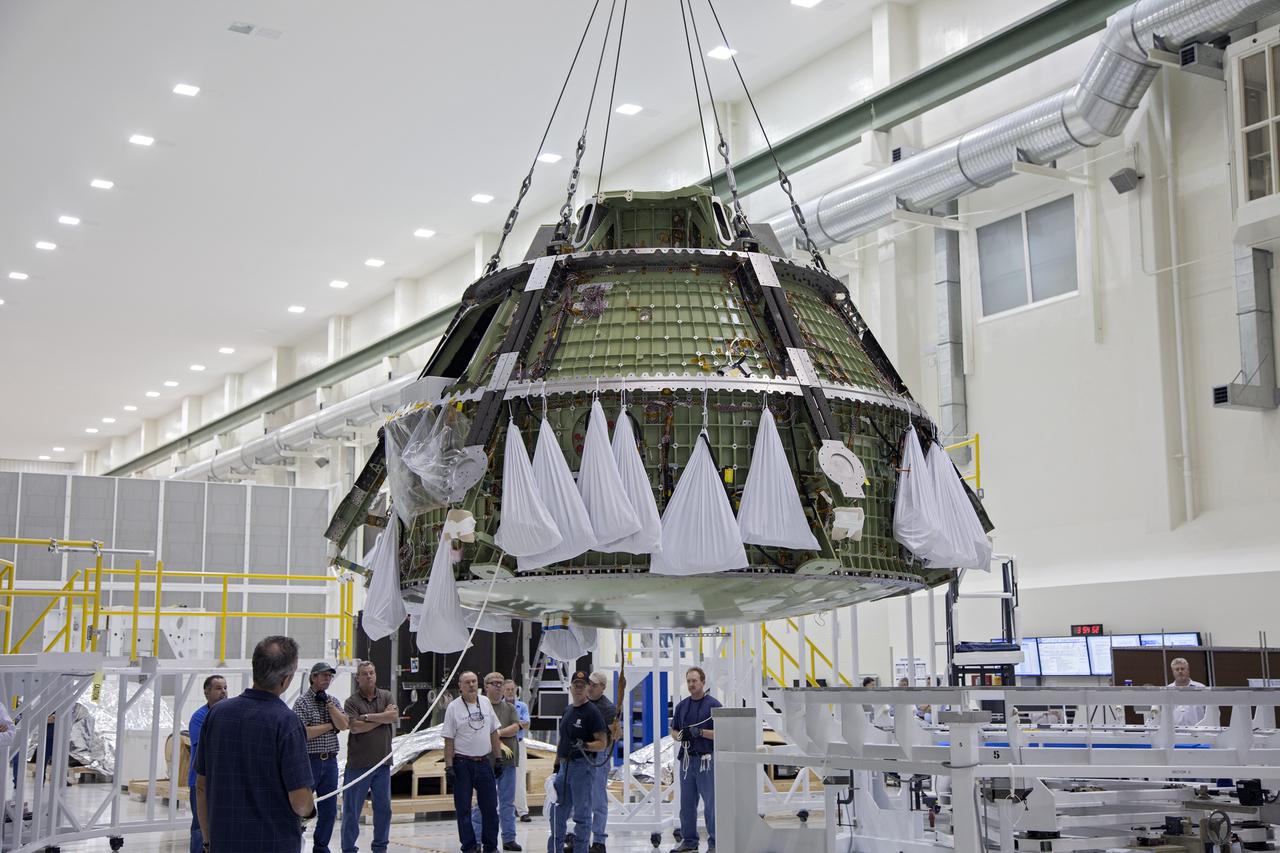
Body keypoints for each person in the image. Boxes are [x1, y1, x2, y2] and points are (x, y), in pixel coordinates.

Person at [194, 635, 315, 853]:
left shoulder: (216, 715)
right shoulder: (287, 722)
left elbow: (201, 786)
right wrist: (310, 810)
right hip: (274, 844)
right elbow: (300, 801)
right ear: (286, 679)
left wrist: (207, 840)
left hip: (224, 842)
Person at [292, 661, 350, 853]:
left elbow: (343, 725)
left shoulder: (332, 701)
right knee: (303, 806)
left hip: (330, 762)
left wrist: (329, 706)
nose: (327, 679)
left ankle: (321, 846)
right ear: (313, 677)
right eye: (324, 675)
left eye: (330, 676)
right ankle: (294, 841)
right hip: (310, 761)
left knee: (329, 808)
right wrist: (329, 726)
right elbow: (303, 732)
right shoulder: (302, 702)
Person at [443, 671, 504, 853]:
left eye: (474, 682)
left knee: (490, 808)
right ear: (460, 686)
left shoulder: (485, 703)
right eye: (467, 682)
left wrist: (498, 758)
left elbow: (494, 731)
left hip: (483, 762)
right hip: (462, 764)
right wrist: (449, 767)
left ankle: (490, 846)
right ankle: (469, 846)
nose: (471, 685)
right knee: (463, 809)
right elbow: (448, 740)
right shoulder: (453, 708)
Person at [341, 661, 398, 853]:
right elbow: (355, 728)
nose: (369, 676)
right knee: (352, 811)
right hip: (358, 766)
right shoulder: (351, 702)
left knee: (384, 810)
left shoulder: (386, 695)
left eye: (372, 673)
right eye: (364, 673)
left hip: (382, 764)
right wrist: (381, 717)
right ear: (358, 678)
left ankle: (380, 847)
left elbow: (392, 717)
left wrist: (367, 717)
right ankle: (349, 849)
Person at [548, 672, 607, 853]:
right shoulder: (567, 711)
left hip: (582, 768)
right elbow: (562, 739)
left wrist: (586, 744)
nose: (579, 688)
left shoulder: (592, 713)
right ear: (571, 687)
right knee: (557, 813)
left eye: (583, 684)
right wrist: (557, 764)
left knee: (582, 816)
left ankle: (581, 850)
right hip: (564, 768)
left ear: (587, 687)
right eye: (576, 684)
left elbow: (602, 743)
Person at [670, 667, 720, 853]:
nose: (691, 684)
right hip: (687, 761)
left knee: (711, 804)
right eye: (689, 681)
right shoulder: (682, 706)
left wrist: (701, 732)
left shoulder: (714, 706)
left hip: (706, 760)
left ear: (703, 682)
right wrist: (680, 736)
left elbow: (722, 733)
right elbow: (673, 730)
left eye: (694, 681)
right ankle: (689, 841)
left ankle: (715, 843)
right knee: (687, 804)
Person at [470, 673, 521, 851]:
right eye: (495, 683)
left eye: (501, 683)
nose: (499, 686)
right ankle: (476, 839)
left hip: (508, 763)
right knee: (482, 803)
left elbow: (516, 727)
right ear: (486, 687)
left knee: (507, 802)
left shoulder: (510, 708)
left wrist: (497, 734)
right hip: (486, 762)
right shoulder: (480, 708)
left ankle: (509, 838)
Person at [187, 675, 227, 853]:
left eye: (225, 687)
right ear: (206, 692)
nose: (224, 692)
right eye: (218, 688)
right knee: (200, 825)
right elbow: (211, 747)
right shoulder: (199, 717)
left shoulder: (227, 714)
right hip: (201, 782)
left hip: (221, 782)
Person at [586, 672, 618, 853]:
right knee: (580, 798)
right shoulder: (583, 703)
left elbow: (615, 735)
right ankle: (579, 836)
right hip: (583, 753)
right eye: (589, 683)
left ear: (603, 687)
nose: (590, 687)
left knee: (598, 798)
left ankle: (599, 840)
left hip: (600, 755)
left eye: (595, 685)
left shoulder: (608, 708)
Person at [504, 680, 532, 823]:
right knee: (501, 778)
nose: (510, 692)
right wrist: (516, 725)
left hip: (519, 744)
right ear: (503, 690)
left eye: (512, 689)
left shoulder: (522, 706)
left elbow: (525, 724)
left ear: (516, 690)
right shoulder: (499, 707)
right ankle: (501, 810)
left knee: (520, 779)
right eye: (507, 689)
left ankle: (523, 811)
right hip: (503, 744)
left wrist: (513, 727)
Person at [1167, 657, 1207, 726]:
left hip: (1199, 733)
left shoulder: (1201, 688)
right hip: (1174, 733)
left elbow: (1213, 712)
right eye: (1177, 669)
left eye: (1182, 669)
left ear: (1188, 670)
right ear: (1173, 672)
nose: (1180, 671)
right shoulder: (1167, 690)